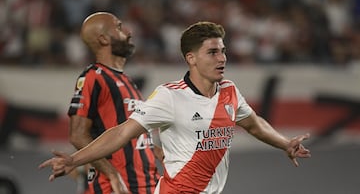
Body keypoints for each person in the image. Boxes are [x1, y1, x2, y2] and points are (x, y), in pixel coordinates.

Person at [39, 21, 311, 194]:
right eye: (213, 52)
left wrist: (285, 143)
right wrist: (74, 160)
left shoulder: (229, 91)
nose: (222, 58)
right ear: (191, 58)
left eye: (223, 50)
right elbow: (122, 133)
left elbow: (254, 123)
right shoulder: (169, 96)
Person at [64, 12, 161, 194]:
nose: (128, 32)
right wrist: (112, 174)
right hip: (116, 188)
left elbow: (127, 133)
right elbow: (77, 135)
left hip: (145, 185)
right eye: (118, 27)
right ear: (103, 39)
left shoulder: (127, 81)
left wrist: (157, 151)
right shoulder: (94, 77)